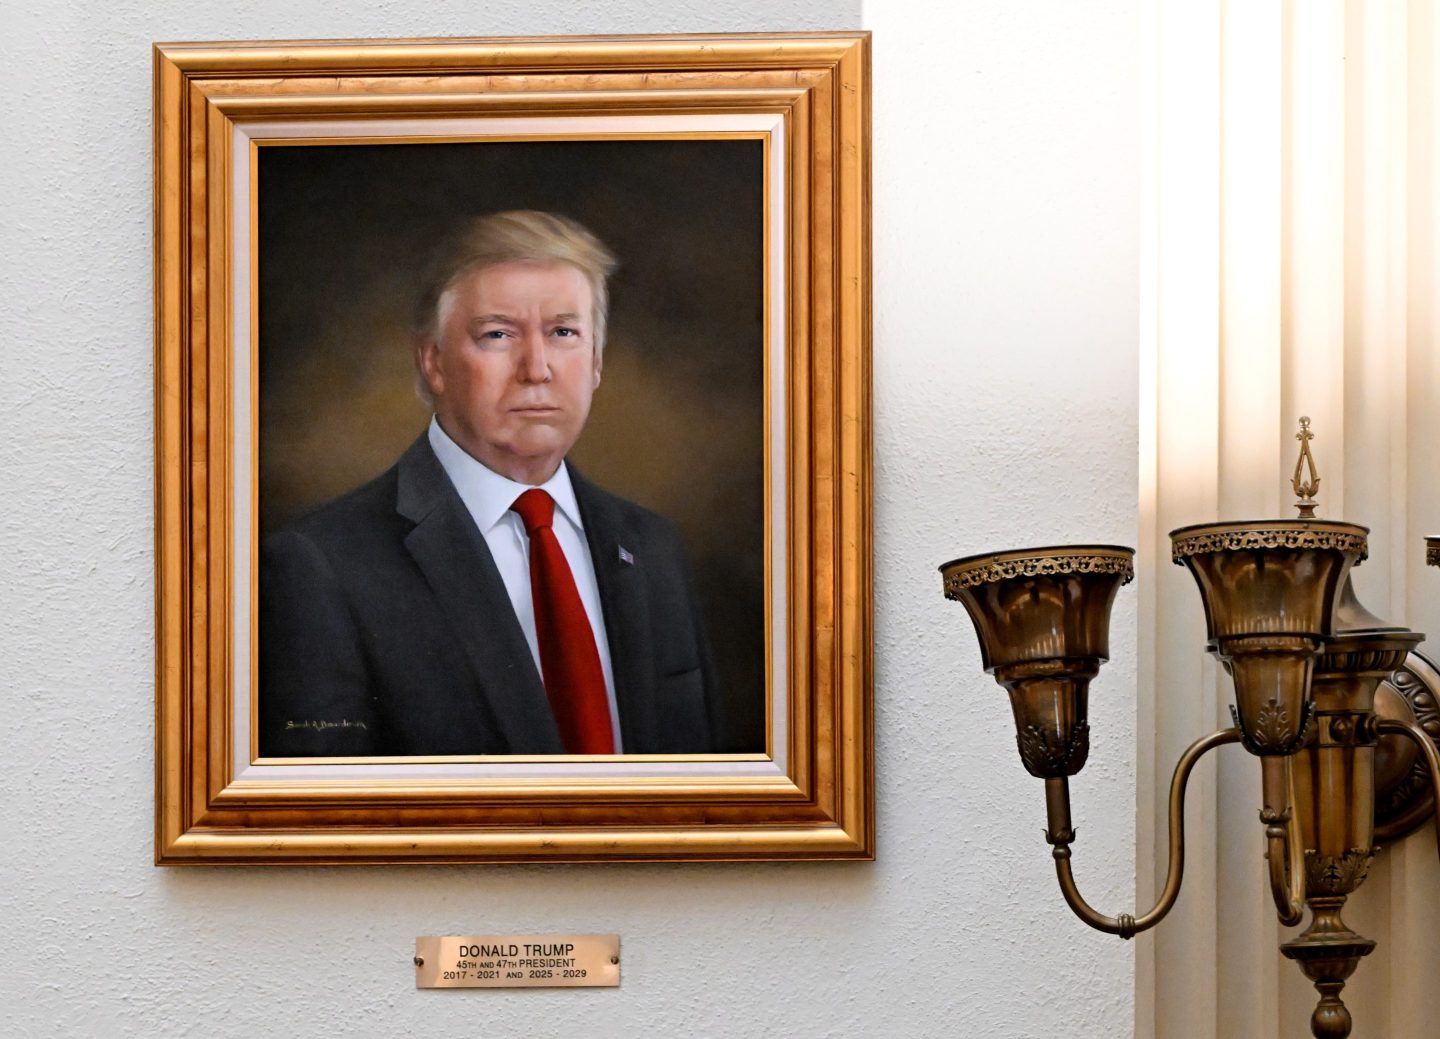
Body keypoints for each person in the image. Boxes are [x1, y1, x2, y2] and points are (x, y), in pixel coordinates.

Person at [259, 211, 718, 757]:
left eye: (564, 332)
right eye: (498, 334)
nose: (537, 368)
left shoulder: (652, 546)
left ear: (595, 361)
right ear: (433, 363)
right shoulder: (320, 566)